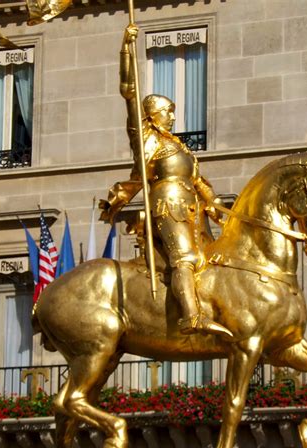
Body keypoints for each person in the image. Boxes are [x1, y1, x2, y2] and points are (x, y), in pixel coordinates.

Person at [100, 24, 232, 339]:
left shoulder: (179, 146)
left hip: (191, 205)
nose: (172, 117)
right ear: (152, 115)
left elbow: (199, 180)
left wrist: (216, 205)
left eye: (172, 112)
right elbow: (129, 91)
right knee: (183, 257)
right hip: (167, 203)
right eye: (167, 111)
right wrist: (126, 50)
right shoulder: (145, 136)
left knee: (211, 257)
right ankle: (191, 317)